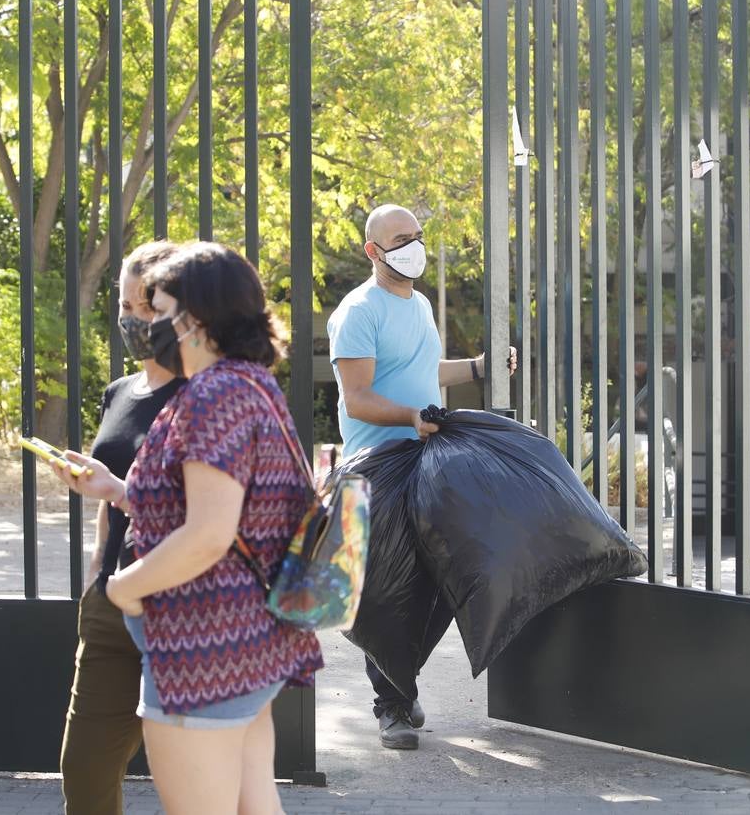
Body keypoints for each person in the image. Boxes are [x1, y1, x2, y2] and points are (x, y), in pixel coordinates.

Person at [51, 241, 323, 815]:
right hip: (248, 640)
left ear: (199, 321)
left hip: (200, 645)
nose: (152, 325)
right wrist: (123, 492)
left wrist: (124, 588)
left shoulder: (210, 397)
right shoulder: (252, 384)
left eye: (164, 312)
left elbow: (208, 534)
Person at [327, 203, 515, 751]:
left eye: (416, 235)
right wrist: (410, 417)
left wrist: (478, 368)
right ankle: (391, 706)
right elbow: (357, 399)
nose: (413, 245)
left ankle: (400, 685)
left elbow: (420, 369)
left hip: (429, 461)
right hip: (377, 467)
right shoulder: (358, 310)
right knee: (385, 594)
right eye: (400, 238)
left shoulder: (422, 304)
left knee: (442, 580)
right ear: (373, 251)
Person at [60, 240, 184, 814]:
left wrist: (119, 491)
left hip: (180, 606)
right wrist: (94, 578)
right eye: (125, 305)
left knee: (188, 779)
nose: (132, 319)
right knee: (84, 769)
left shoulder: (206, 394)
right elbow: (110, 502)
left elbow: (205, 512)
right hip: (112, 599)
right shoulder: (120, 393)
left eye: (146, 306)